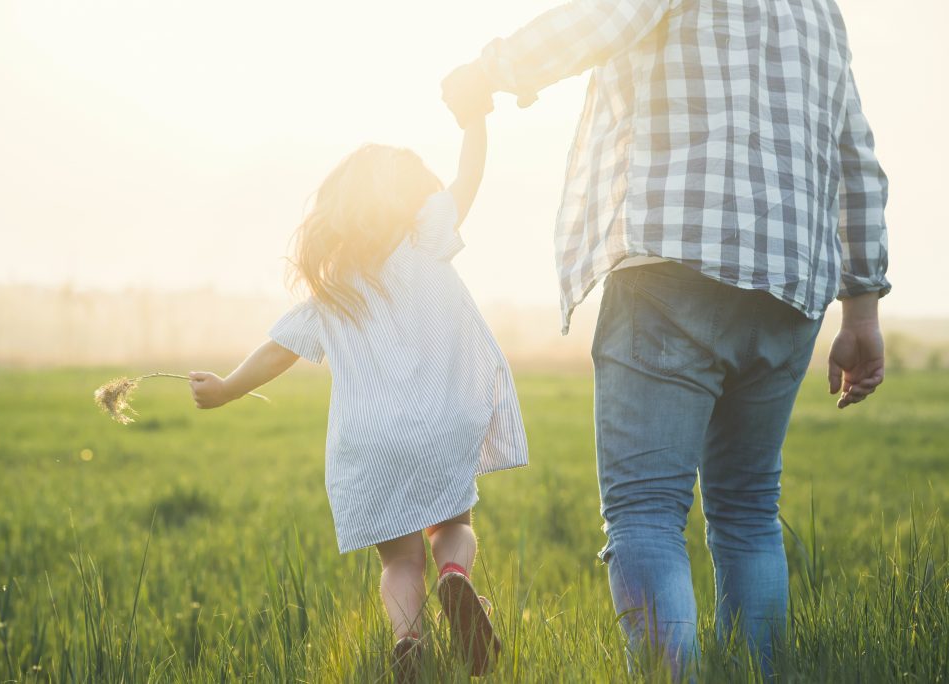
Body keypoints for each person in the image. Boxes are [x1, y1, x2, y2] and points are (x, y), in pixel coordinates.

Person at [442, 0, 889, 678]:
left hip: (671, 263)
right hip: (791, 286)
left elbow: (598, 22)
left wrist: (487, 71)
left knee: (647, 510)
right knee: (748, 510)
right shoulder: (818, 10)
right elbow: (856, 157)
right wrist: (862, 311)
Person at [188, 116, 527, 682]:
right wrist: (474, 120)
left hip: (371, 442)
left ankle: (408, 637)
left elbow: (278, 350)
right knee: (451, 525)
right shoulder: (428, 238)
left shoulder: (335, 284)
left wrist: (225, 389)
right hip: (441, 424)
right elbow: (469, 177)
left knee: (398, 558)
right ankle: (455, 577)